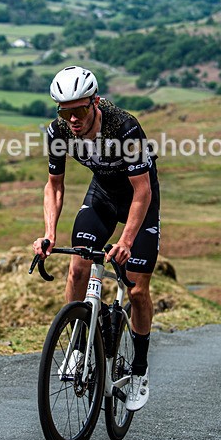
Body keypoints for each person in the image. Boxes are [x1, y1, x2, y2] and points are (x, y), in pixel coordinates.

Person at [33, 65, 160, 411]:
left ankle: (139, 369)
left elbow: (143, 190)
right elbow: (54, 187)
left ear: (95, 102)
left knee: (136, 288)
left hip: (138, 199)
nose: (72, 118)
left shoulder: (125, 127)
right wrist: (48, 233)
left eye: (79, 110)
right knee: (77, 269)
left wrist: (127, 240)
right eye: (64, 110)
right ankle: (77, 348)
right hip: (102, 195)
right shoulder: (58, 131)